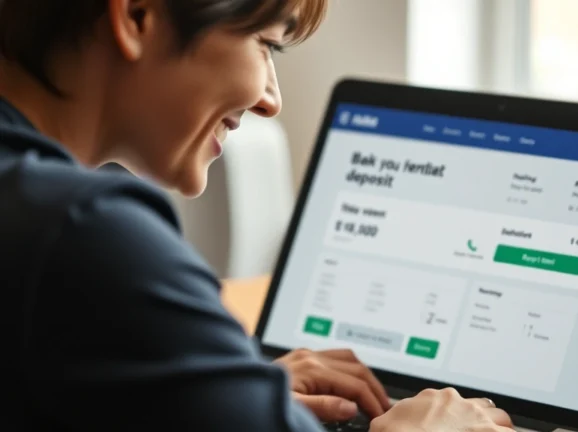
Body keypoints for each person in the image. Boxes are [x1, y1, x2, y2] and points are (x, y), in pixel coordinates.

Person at [0, 0, 514, 430]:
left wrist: (220, 389)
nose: (272, 99)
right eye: (266, 44)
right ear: (136, 15)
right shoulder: (84, 234)